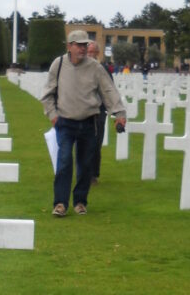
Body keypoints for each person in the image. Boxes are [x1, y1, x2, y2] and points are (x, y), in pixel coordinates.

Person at [40, 30, 127, 217]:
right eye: (79, 45)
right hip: (65, 122)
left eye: (85, 45)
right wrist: (53, 115)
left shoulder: (95, 68)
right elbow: (47, 94)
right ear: (69, 46)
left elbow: (109, 91)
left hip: (89, 122)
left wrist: (119, 113)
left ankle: (80, 201)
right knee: (64, 162)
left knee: (85, 165)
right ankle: (60, 204)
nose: (83, 48)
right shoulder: (59, 64)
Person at [86, 41, 113, 184]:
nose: (90, 54)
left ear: (97, 53)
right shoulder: (81, 68)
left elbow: (110, 90)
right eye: (88, 52)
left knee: (96, 143)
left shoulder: (103, 69)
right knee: (83, 143)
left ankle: (93, 174)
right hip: (82, 111)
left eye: (92, 52)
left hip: (99, 111)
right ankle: (83, 172)